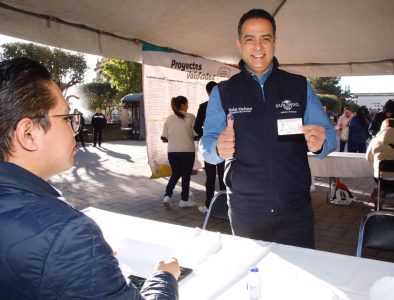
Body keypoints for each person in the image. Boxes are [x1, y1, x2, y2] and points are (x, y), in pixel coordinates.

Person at [0, 58, 180, 299]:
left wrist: (92, 267)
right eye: (66, 118)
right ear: (29, 133)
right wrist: (165, 277)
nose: (74, 128)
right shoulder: (68, 233)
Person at [199, 9, 336, 249]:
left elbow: (329, 135)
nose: (258, 47)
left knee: (299, 281)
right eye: (250, 39)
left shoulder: (299, 86)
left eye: (265, 38)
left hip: (296, 210)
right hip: (246, 211)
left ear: (275, 42)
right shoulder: (223, 92)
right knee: (253, 278)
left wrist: (321, 142)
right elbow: (207, 145)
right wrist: (217, 148)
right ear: (239, 43)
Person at [194, 81, 226, 213]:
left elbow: (196, 127)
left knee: (210, 177)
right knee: (225, 176)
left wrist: (205, 134)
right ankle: (226, 205)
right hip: (225, 146)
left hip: (210, 145)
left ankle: (209, 205)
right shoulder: (226, 103)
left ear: (208, 92)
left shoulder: (203, 106)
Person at [161, 96, 197, 209]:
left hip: (172, 152)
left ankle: (167, 196)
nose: (188, 106)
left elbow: (163, 138)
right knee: (186, 175)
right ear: (182, 105)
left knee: (175, 174)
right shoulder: (191, 117)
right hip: (187, 151)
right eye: (187, 104)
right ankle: (184, 200)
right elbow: (196, 135)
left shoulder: (169, 118)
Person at [366, 118, 394, 209]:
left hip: (381, 178)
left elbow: (368, 158)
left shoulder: (375, 140)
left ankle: (380, 194)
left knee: (385, 181)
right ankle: (381, 193)